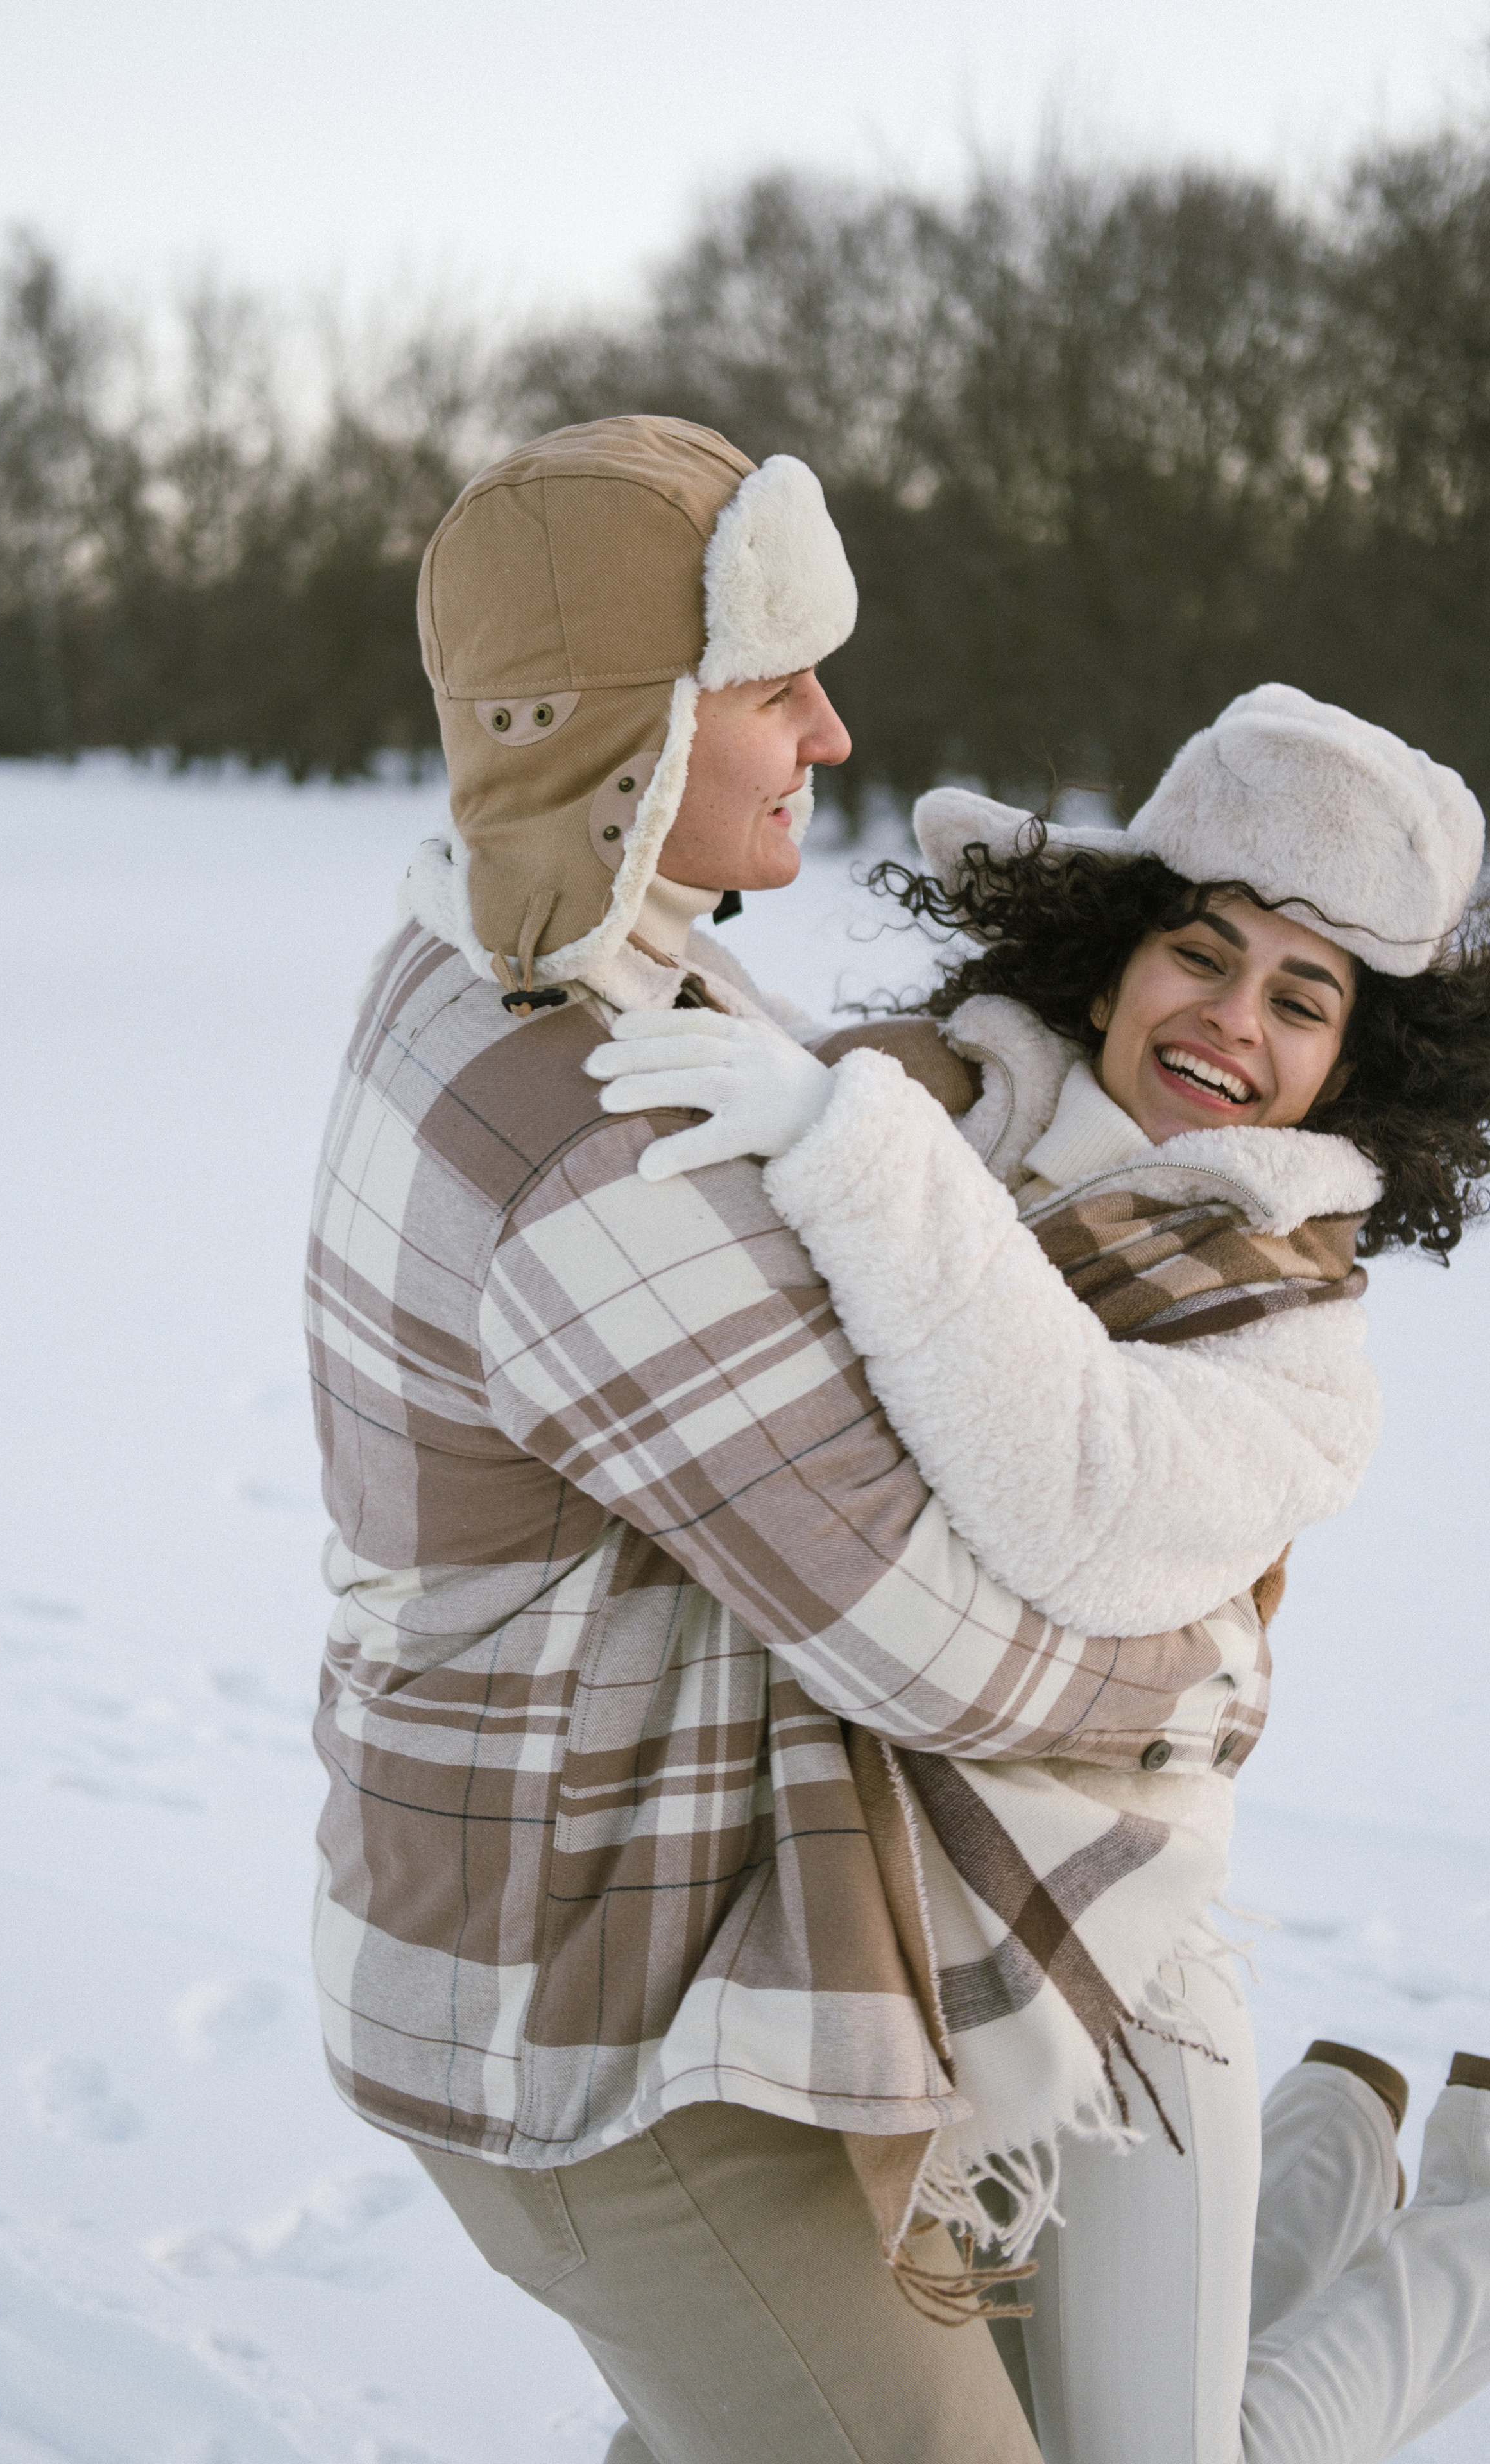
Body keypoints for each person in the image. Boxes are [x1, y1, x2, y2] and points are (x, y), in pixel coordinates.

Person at [304, 415, 1274, 2464]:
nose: (832, 733)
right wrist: (1203, 1673)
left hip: (691, 1957)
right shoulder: (585, 1128)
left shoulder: (573, 970)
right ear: (618, 730)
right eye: (773, 687)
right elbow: (917, 1636)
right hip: (607, 2050)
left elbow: (828, 1182)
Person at [586, 683, 1490, 2461]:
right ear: (1110, 962)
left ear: (1351, 1071)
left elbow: (1073, 1490)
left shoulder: (1297, 1350)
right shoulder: (930, 1102)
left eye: (1300, 1001)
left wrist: (852, 1150)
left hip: (1111, 1973)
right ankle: (1334, 2136)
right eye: (1199, 954)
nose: (1230, 1021)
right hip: (828, 1943)